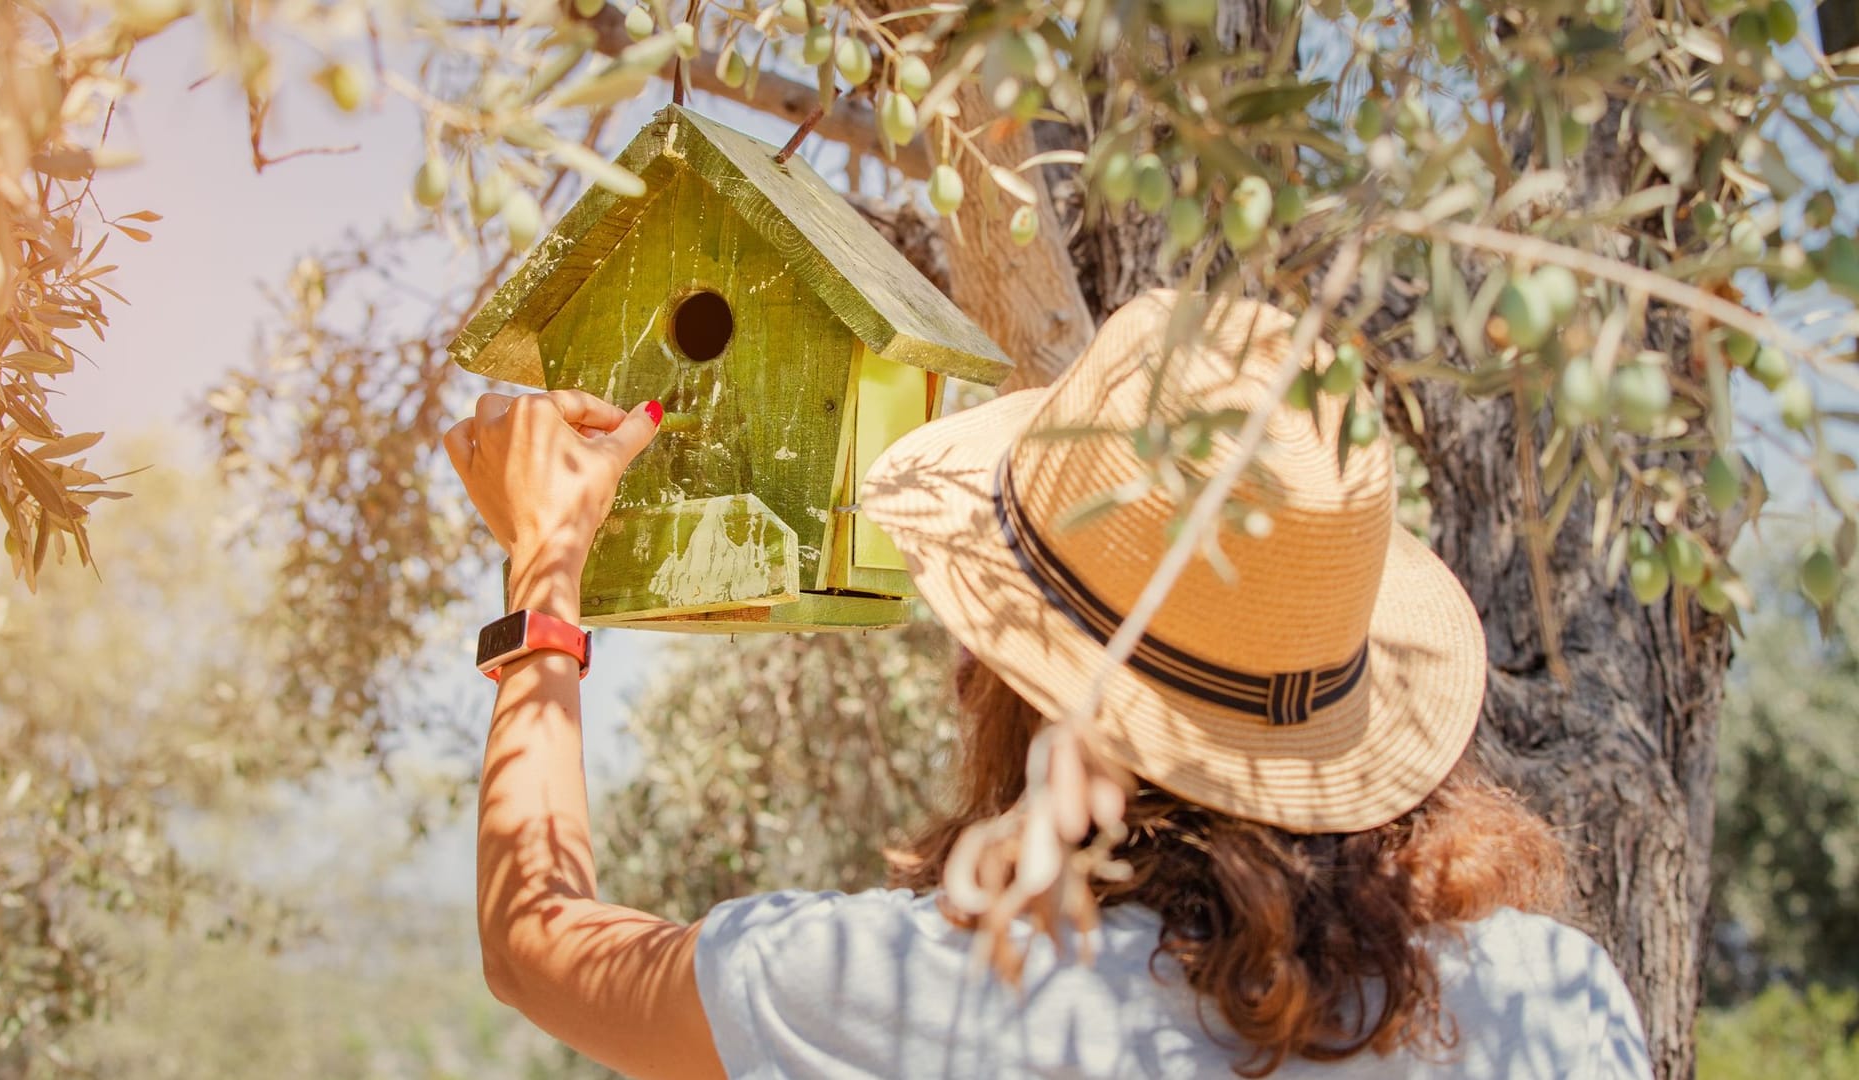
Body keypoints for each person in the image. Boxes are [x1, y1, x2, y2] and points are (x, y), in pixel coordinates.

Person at [442, 291, 1650, 1079]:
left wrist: (546, 563)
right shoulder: (1551, 1001)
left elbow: (537, 944)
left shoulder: (912, 997)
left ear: (1006, 679)